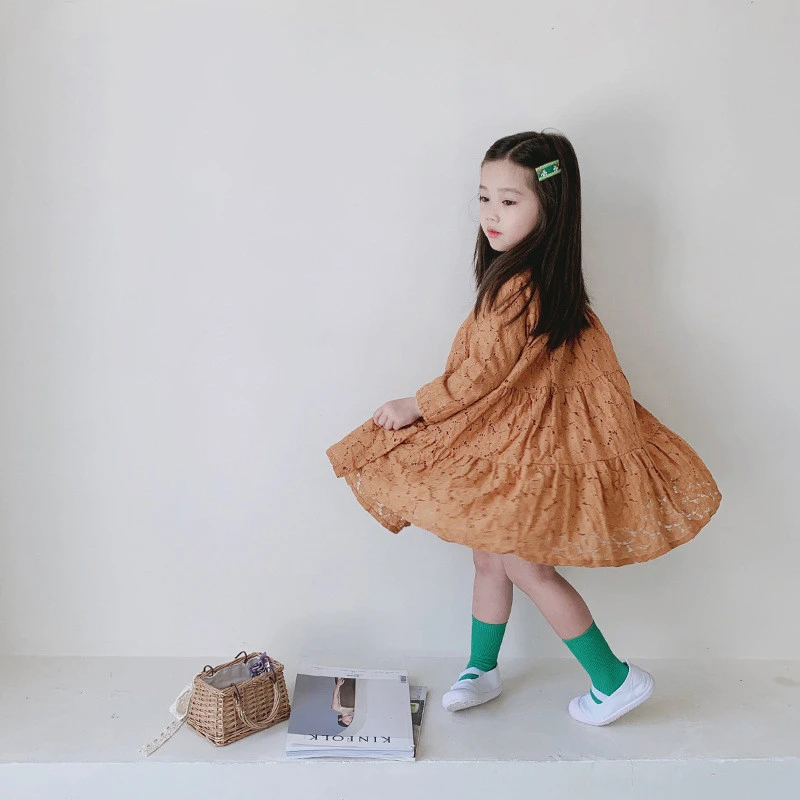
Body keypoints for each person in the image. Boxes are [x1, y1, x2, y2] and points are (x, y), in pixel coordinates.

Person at [325, 130, 722, 727]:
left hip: (526, 449)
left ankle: (613, 678)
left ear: (549, 206)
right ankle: (481, 669)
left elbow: (482, 373)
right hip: (510, 444)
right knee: (489, 561)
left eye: (509, 201)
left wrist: (417, 405)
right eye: (484, 198)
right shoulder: (538, 282)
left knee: (524, 566)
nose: (491, 214)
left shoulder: (520, 286)